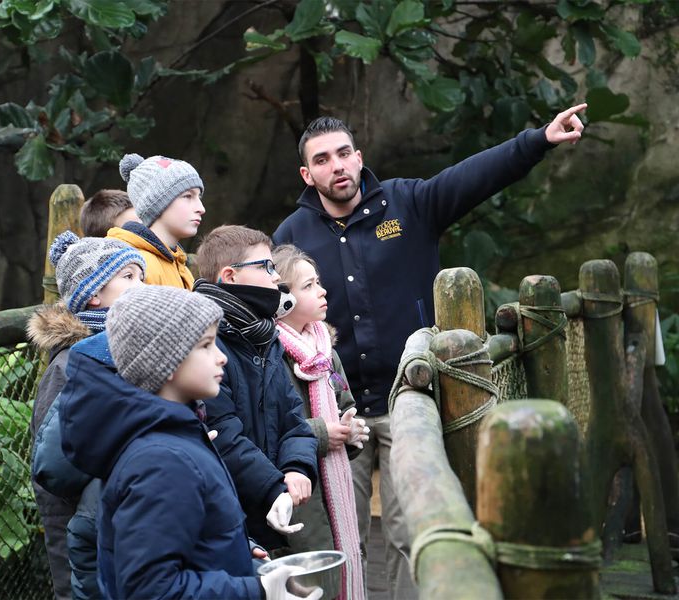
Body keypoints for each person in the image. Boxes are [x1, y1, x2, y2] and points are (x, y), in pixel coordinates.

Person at [272, 104, 587, 598]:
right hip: (337, 410)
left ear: (359, 156)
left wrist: (539, 139)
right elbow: (274, 315)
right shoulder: (291, 236)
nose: (337, 165)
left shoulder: (408, 203)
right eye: (324, 159)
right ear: (307, 174)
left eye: (344, 153)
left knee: (410, 533)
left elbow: (475, 176)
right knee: (341, 539)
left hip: (410, 400)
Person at [58, 285, 321, 600]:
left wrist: (238, 552)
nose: (222, 357)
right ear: (164, 361)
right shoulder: (161, 460)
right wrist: (258, 590)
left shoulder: (183, 434)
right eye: (206, 345)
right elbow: (149, 589)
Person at [27, 231, 146, 600]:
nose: (141, 286)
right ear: (94, 294)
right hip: (83, 531)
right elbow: (53, 469)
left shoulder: (135, 351)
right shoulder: (72, 365)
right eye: (128, 278)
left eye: (141, 276)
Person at [193, 225, 319, 551]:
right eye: (266, 266)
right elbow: (222, 433)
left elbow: (294, 420)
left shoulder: (266, 337)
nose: (276, 277)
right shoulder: (206, 342)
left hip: (269, 506)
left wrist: (296, 467)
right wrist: (274, 485)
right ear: (230, 276)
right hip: (226, 514)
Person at [273, 244, 369, 600]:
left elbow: (345, 401)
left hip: (335, 482)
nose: (322, 291)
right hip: (300, 494)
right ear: (283, 296)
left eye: (318, 283)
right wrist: (322, 434)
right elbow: (271, 427)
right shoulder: (272, 354)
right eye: (308, 286)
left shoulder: (325, 349)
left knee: (343, 562)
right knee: (314, 579)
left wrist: (353, 430)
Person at [108, 154, 204, 288]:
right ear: (156, 203)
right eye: (188, 196)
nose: (201, 208)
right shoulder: (136, 268)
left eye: (199, 197)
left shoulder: (180, 265)